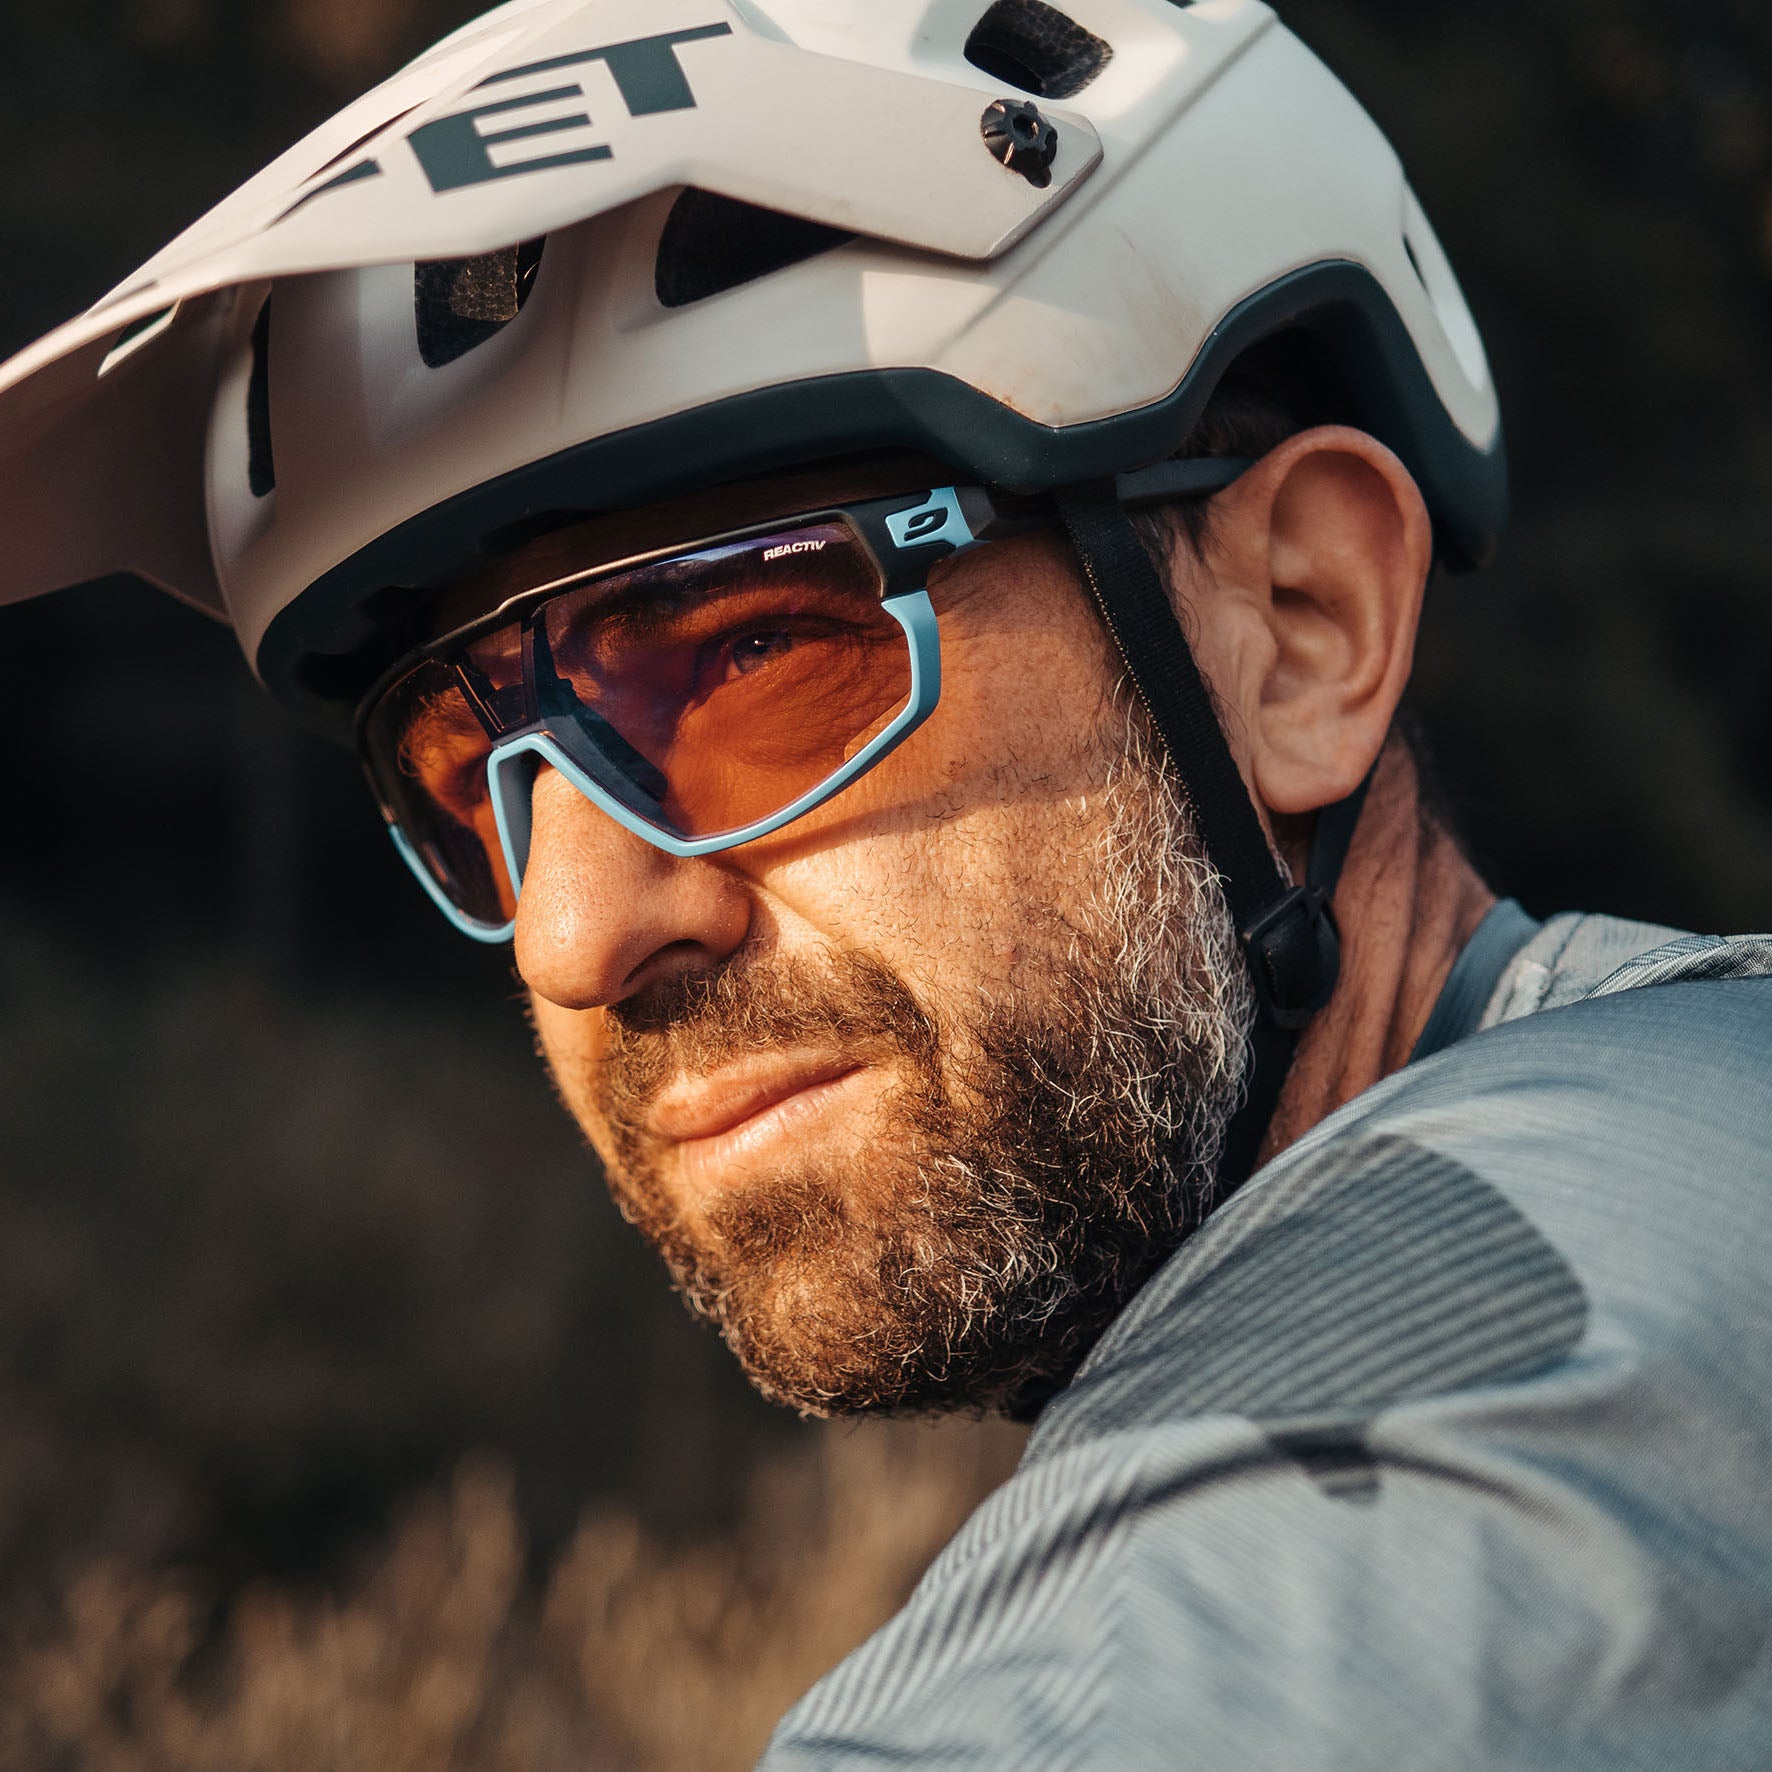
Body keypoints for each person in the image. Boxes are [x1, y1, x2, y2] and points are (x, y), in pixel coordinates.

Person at [3, 0, 1769, 1762]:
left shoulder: (1441, 1451)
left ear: (1303, 625)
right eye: (472, 776)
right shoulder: (1696, 1105)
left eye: (754, 653)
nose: (574, 934)